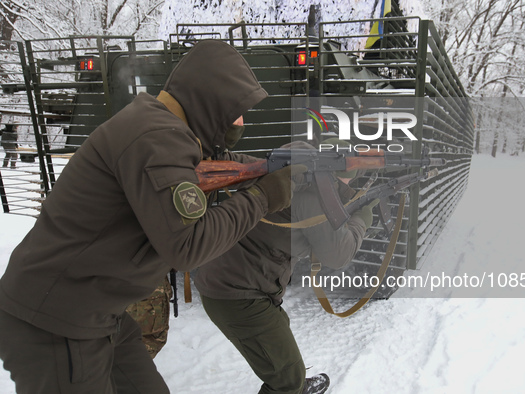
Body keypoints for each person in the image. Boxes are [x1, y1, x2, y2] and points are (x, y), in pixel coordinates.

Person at [0, 40, 304, 394]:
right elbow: (187, 247)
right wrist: (263, 197)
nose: (240, 122)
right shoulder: (157, 139)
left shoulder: (161, 129)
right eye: (236, 110)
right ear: (210, 99)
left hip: (96, 316)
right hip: (55, 323)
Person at [193, 139, 378, 394]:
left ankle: (296, 383)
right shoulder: (314, 197)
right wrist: (362, 220)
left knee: (282, 345)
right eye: (348, 178)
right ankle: (294, 386)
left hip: (235, 278)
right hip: (237, 293)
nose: (350, 184)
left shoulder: (289, 175)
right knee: (286, 378)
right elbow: (338, 255)